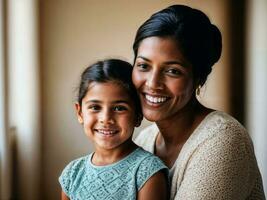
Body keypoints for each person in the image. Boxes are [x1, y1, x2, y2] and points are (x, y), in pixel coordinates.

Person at [132, 4, 265, 200]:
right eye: (143, 66)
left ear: (199, 78)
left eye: (173, 71)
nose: (152, 83)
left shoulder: (223, 140)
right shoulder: (145, 140)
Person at [59, 59, 169, 200]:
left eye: (119, 108)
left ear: (138, 115)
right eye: (95, 107)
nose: (106, 118)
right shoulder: (72, 174)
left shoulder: (147, 172)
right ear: (80, 113)